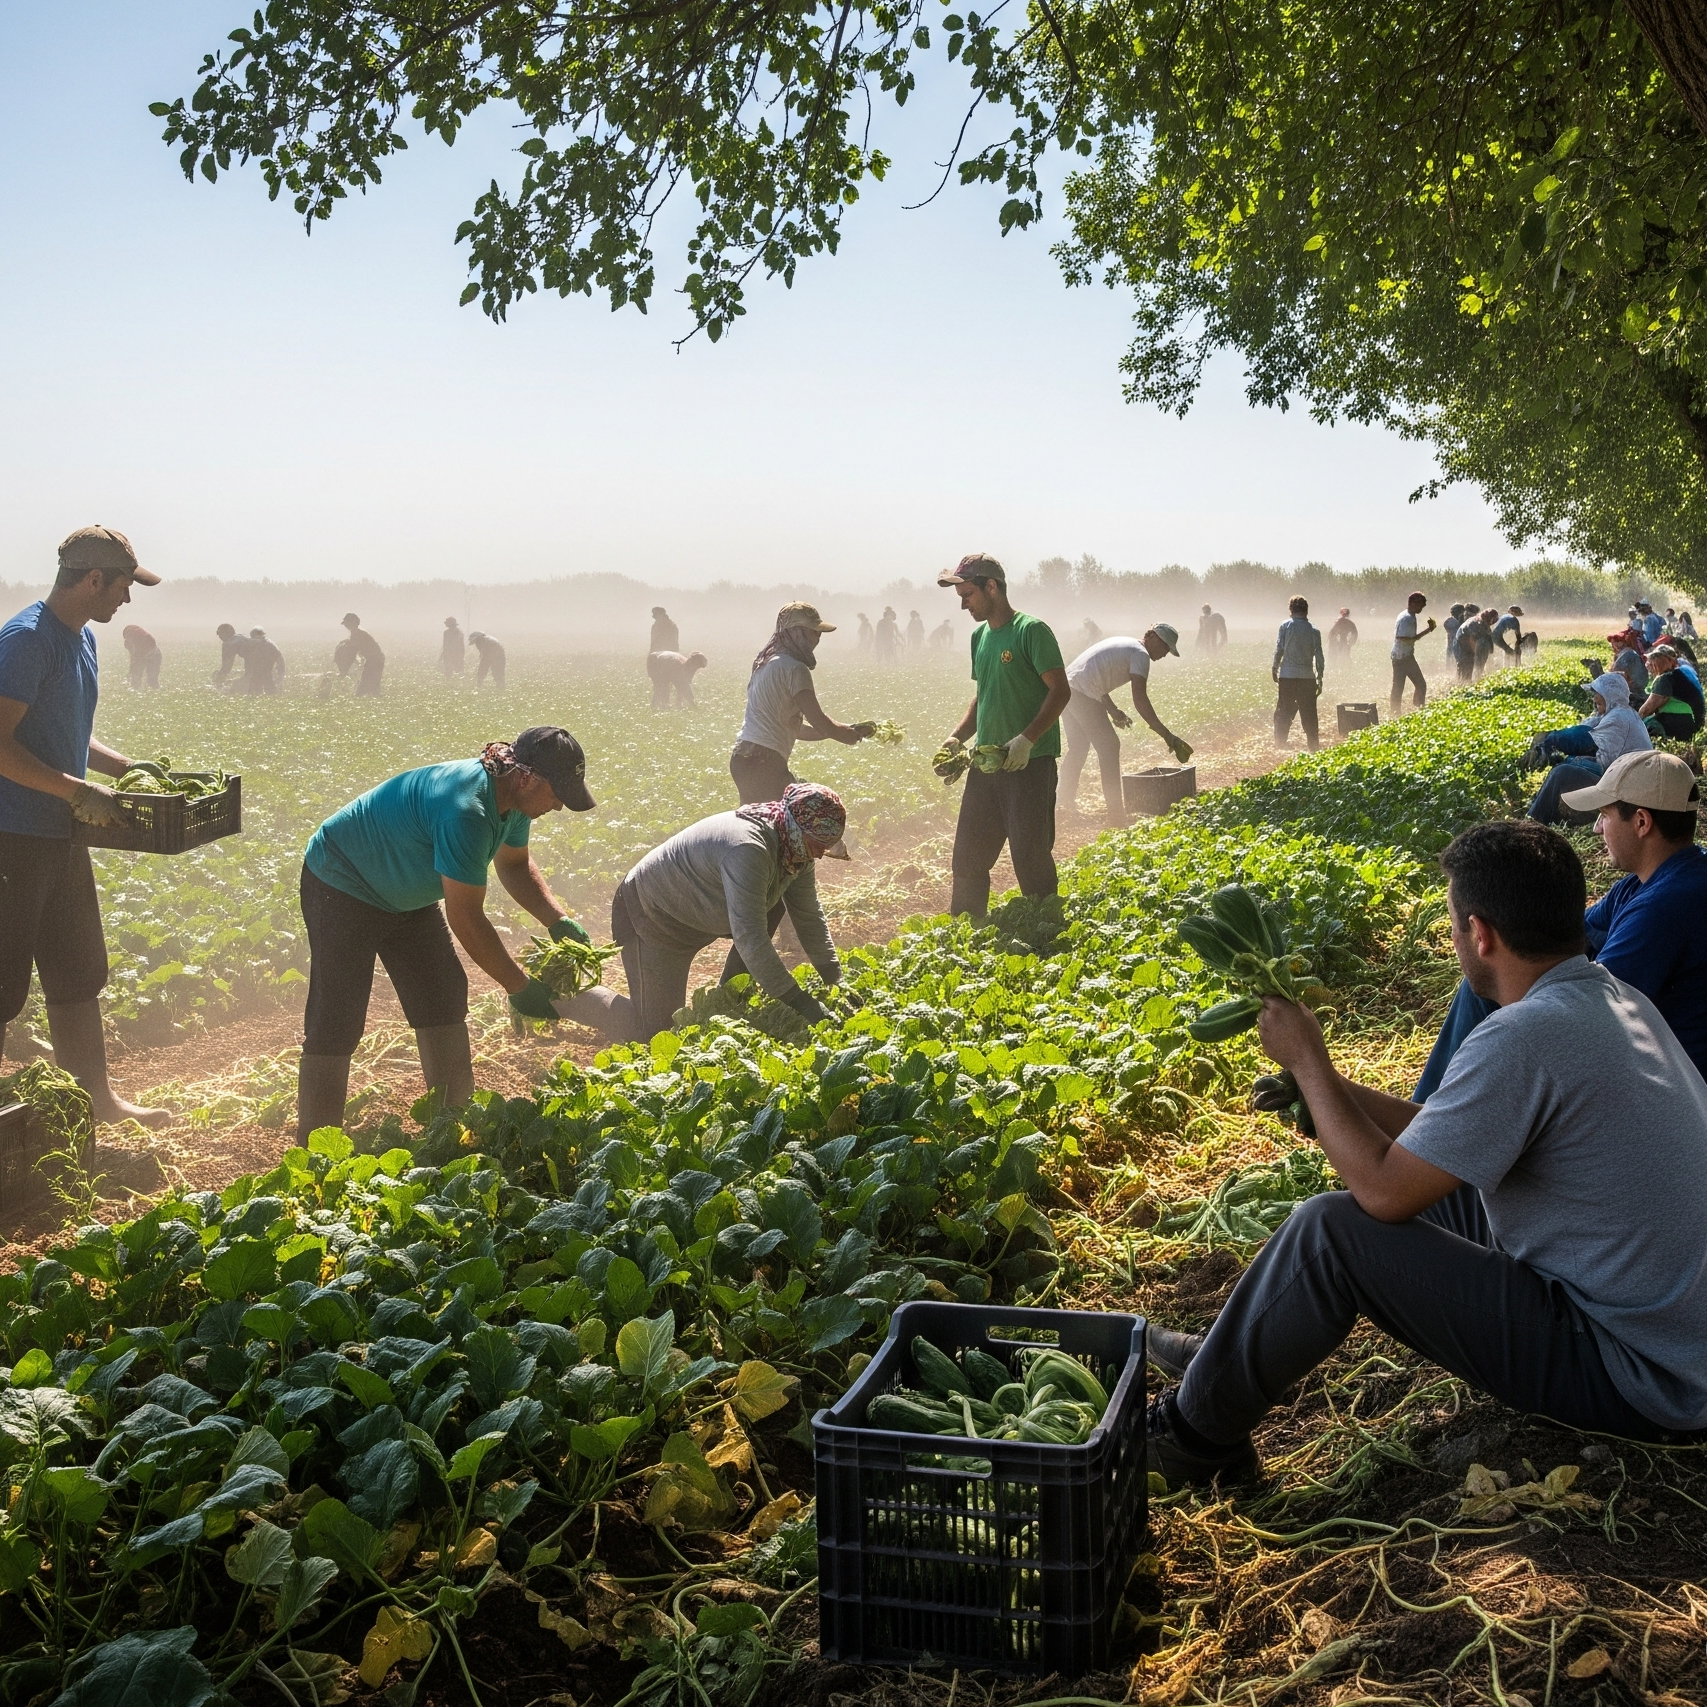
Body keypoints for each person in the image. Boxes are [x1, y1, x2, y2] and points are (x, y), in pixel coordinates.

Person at [1143, 819, 1707, 1487]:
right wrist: (1330, 1091)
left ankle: (1192, 1437)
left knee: (1330, 1234)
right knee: (1439, 1187)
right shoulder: (1609, 998)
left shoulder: (1524, 1036)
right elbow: (1448, 1134)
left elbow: (1383, 1192)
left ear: (1479, 933)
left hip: (1642, 1370)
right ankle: (1223, 1363)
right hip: (1677, 1338)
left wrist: (1308, 1059)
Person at [295, 726, 595, 1141]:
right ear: (526, 777)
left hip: (405, 894)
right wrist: (518, 986)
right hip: (343, 881)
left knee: (442, 994)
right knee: (338, 1016)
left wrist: (557, 919)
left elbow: (513, 866)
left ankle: (452, 1125)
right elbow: (467, 920)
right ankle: (315, 1148)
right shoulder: (467, 811)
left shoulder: (515, 803)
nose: (559, 805)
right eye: (557, 792)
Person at [0, 526, 169, 1127]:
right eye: (124, 586)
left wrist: (121, 767)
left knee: (77, 971)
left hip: (60, 832)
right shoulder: (25, 642)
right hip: (12, 839)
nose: (127, 600)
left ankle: (97, 1102)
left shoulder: (80, 640)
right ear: (93, 579)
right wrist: (77, 790)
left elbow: (65, 728)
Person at [1416, 753, 1707, 1096]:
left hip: (1670, 1084)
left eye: (1604, 816)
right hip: (1652, 1054)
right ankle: (1435, 1108)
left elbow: (1590, 1011)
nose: (1598, 828)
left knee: (1488, 984)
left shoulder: (1663, 907)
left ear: (1641, 822)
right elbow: (1563, 937)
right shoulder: (1653, 881)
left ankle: (1428, 1115)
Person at [562, 783, 849, 1045]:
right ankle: (556, 997)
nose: (821, 854)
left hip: (702, 913)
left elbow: (809, 916)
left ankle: (729, 999)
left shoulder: (795, 850)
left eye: (825, 846)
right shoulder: (748, 849)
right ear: (797, 828)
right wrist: (801, 1002)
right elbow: (750, 937)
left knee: (777, 901)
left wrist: (834, 978)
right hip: (653, 918)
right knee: (656, 1034)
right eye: (817, 845)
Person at [724, 603, 869, 980]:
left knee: (773, 842)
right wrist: (845, 735)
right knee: (786, 842)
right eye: (810, 632)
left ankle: (775, 921)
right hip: (764, 764)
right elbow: (819, 720)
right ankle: (767, 929)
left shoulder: (767, 665)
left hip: (745, 759)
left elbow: (798, 729)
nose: (816, 639)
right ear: (791, 632)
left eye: (819, 633)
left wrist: (845, 729)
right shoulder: (795, 669)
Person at [935, 554, 1071, 918]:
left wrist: (1026, 740)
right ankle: (966, 930)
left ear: (991, 587)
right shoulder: (980, 636)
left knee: (1030, 856)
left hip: (1029, 763)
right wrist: (957, 737)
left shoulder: (1031, 631)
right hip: (987, 764)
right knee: (967, 858)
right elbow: (984, 696)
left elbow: (1060, 691)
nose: (963, 604)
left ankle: (1046, 927)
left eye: (968, 594)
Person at [1060, 627, 1187, 826]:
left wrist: (1113, 710)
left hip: (1066, 688)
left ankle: (1061, 805)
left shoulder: (1126, 644)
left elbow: (1093, 677)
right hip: (1081, 693)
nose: (1164, 654)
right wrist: (1166, 734)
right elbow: (1140, 698)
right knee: (1109, 747)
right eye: (1164, 647)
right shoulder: (1140, 655)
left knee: (1078, 748)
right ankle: (1116, 817)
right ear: (1152, 636)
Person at [1526, 673, 1651, 824]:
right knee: (1570, 764)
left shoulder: (1617, 718)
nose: (1594, 699)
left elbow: (1589, 745)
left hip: (1622, 786)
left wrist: (1556, 744)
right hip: (1627, 779)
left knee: (1562, 772)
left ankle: (1534, 822)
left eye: (1598, 696)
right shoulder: (1627, 714)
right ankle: (1555, 816)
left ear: (1609, 696)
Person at [1272, 596, 1324, 750]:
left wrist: (1274, 668)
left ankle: (1280, 742)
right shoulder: (1314, 630)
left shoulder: (1285, 627)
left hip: (1287, 676)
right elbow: (1319, 656)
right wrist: (1320, 677)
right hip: (1306, 678)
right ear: (1306, 611)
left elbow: (1279, 649)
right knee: (1309, 712)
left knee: (1284, 710)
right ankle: (1313, 744)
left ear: (1291, 610)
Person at [1636, 643, 1704, 741]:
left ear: (1667, 660)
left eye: (1655, 659)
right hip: (1695, 724)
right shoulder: (1685, 671)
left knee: (1646, 724)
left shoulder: (1665, 679)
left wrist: (1633, 723)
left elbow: (1646, 710)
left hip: (1682, 723)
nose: (1651, 663)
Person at [1389, 591, 1434, 714]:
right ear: (1414, 603)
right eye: (1421, 605)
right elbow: (1402, 637)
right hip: (1403, 657)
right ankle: (1416, 710)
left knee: (1400, 687)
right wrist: (1427, 631)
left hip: (1401, 655)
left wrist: (1428, 630)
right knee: (1418, 684)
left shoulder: (1407, 615)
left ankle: (1399, 711)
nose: (1422, 608)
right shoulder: (1407, 618)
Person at [340, 613, 385, 697]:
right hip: (375, 659)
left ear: (352, 623)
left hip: (374, 659)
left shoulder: (357, 634)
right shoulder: (358, 632)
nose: (345, 626)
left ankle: (365, 697)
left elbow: (352, 652)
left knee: (366, 684)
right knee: (372, 683)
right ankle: (374, 697)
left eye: (347, 623)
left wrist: (344, 670)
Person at [122, 624, 161, 691]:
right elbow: (133, 655)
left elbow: (139, 654)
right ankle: (137, 688)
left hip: (152, 655)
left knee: (151, 678)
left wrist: (135, 661)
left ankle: (152, 689)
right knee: (138, 674)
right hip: (150, 655)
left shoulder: (147, 639)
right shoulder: (130, 642)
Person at [245, 629, 285, 694]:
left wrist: (280, 671)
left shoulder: (269, 644)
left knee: (267, 683)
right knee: (256, 684)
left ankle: (270, 695)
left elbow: (279, 658)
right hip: (258, 670)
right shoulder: (253, 643)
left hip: (266, 669)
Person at [213, 622, 245, 687]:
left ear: (224, 634)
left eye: (219, 634)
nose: (219, 637)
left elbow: (226, 668)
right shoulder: (242, 636)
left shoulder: (228, 644)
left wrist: (218, 679)